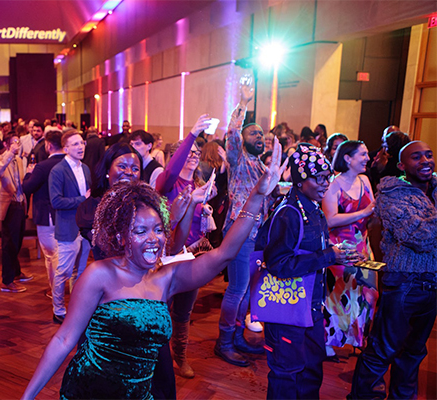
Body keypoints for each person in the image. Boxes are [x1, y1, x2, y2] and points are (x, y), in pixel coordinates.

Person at [21, 138, 285, 400]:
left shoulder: (167, 278)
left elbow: (224, 254)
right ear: (121, 236)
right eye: (140, 231)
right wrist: (27, 397)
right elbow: (63, 340)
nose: (153, 238)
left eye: (159, 229)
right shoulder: (100, 274)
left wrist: (256, 196)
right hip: (90, 391)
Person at [257, 143, 350, 399]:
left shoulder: (314, 209)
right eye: (319, 178)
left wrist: (333, 251)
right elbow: (279, 265)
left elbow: (308, 251)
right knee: (286, 375)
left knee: (311, 371)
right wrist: (328, 255)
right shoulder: (289, 213)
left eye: (327, 177)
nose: (325, 184)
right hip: (287, 310)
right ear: (300, 179)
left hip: (310, 307)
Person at [349, 141, 436, 400]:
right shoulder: (392, 194)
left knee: (414, 353)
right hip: (405, 284)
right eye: (416, 157)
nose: (425, 161)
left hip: (432, 284)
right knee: (382, 349)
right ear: (401, 166)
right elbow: (418, 236)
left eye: (429, 155)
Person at [155, 113, 216, 378]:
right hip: (170, 255)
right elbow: (170, 170)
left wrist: (206, 210)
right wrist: (192, 133)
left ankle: (180, 356)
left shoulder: (198, 183)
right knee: (163, 308)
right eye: (188, 151)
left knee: (185, 310)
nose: (193, 154)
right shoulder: (168, 182)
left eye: (196, 151)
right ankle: (158, 360)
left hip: (193, 253)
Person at [215, 78, 270, 367]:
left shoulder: (262, 165)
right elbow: (233, 131)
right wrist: (244, 103)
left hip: (257, 234)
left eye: (262, 134)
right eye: (254, 133)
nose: (259, 137)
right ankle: (223, 342)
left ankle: (236, 336)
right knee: (237, 289)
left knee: (247, 290)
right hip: (240, 231)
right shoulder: (239, 160)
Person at [322, 140, 377, 360]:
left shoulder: (364, 180)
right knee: (338, 297)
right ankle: (329, 340)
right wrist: (363, 213)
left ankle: (357, 339)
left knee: (367, 295)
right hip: (340, 250)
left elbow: (372, 211)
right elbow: (330, 219)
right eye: (362, 154)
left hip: (363, 246)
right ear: (347, 158)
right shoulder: (332, 185)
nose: (367, 158)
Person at [48, 130, 92, 324]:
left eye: (82, 143)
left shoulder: (86, 169)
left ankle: (76, 307)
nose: (80, 147)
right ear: (65, 148)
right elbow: (56, 201)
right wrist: (82, 200)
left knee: (81, 272)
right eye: (75, 144)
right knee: (63, 272)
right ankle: (58, 309)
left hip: (85, 228)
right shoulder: (58, 170)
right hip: (67, 228)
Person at [22, 129, 65, 298]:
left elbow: (27, 187)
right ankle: (62, 286)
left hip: (47, 213)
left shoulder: (42, 166)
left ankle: (56, 290)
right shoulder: (71, 164)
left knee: (51, 253)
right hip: (67, 214)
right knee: (63, 251)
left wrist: (28, 174)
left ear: (48, 145)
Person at [0, 134, 32, 293]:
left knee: (18, 240)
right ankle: (6, 281)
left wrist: (30, 173)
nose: (17, 145)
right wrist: (10, 153)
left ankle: (16, 272)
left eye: (19, 142)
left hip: (20, 204)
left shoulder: (21, 160)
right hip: (9, 206)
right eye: (14, 142)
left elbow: (22, 183)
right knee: (9, 243)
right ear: (6, 144)